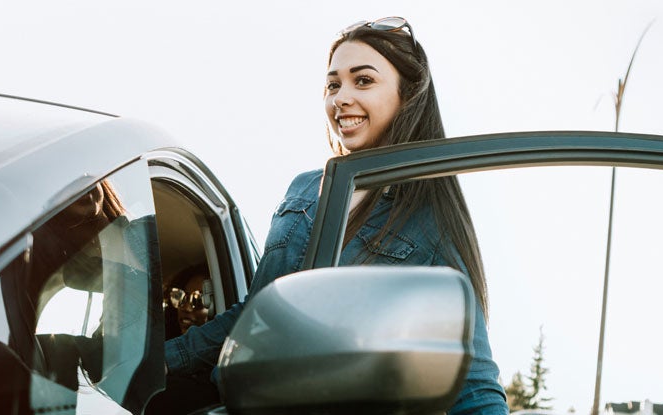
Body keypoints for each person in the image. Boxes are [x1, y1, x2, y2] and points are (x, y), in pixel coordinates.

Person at [159, 17, 508, 415]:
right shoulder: (303, 188)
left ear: (407, 96)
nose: (340, 98)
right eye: (333, 84)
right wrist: (153, 361)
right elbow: (252, 318)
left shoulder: (430, 218)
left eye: (363, 81)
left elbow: (474, 382)